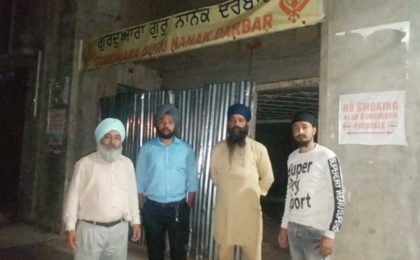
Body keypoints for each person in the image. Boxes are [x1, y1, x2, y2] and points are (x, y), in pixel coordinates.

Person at [63, 118, 141, 260]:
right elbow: (73, 196)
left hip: (119, 230)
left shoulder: (127, 164)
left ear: (121, 141)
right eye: (107, 136)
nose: (112, 141)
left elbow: (131, 194)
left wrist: (135, 221)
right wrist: (70, 227)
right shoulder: (84, 164)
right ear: (100, 139)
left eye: (117, 137)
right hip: (90, 230)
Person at [210, 103, 274, 260]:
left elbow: (268, 177)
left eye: (240, 120)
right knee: (224, 253)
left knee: (252, 254)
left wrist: (256, 193)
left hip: (249, 212)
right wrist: (229, 191)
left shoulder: (258, 148)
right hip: (226, 212)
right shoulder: (219, 148)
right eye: (232, 120)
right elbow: (215, 175)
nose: (236, 124)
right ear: (228, 123)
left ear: (246, 124)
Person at [278, 111, 345, 260]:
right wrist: (284, 226)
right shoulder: (292, 158)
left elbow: (339, 197)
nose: (299, 131)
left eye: (304, 127)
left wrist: (330, 234)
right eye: (296, 128)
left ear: (314, 130)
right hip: (294, 228)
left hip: (316, 230)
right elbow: (290, 193)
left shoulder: (327, 156)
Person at [136, 104, 198, 260]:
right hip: (152, 208)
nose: (166, 125)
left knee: (178, 250)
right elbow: (140, 176)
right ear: (157, 124)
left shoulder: (185, 148)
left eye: (170, 121)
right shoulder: (147, 148)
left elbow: (192, 177)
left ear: (175, 124)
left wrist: (188, 204)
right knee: (155, 250)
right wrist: (141, 204)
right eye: (162, 121)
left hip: (178, 208)